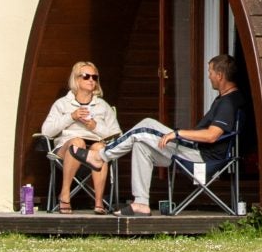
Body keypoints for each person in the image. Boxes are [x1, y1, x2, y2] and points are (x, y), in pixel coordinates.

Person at [110, 53, 247, 215]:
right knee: (141, 146)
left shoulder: (228, 103)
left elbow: (212, 135)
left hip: (201, 157)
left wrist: (177, 133)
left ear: (220, 75)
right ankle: (141, 203)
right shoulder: (224, 99)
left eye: (210, 72)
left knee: (146, 124)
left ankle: (101, 156)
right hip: (193, 152)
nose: (208, 76)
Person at [36, 61, 121, 210]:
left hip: (94, 148)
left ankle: (99, 202)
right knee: (77, 142)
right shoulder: (62, 104)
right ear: (76, 79)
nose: (91, 80)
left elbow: (117, 136)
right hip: (66, 149)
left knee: (100, 147)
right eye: (86, 76)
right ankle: (65, 193)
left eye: (95, 77)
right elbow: (46, 131)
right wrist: (71, 117)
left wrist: (95, 126)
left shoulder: (102, 106)